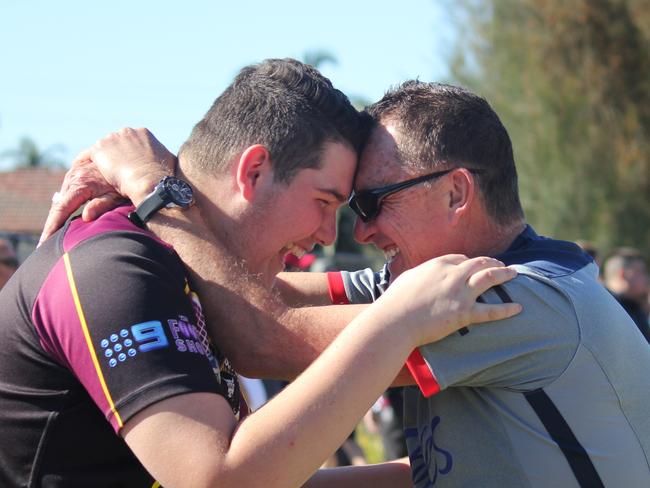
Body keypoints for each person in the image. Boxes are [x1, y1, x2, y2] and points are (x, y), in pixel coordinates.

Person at [49, 80, 650, 487]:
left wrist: (157, 190)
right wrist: (192, 197)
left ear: (456, 192)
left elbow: (264, 337)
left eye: (371, 202)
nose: (359, 230)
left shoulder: (508, 297)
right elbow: (260, 292)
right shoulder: (425, 282)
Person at [0, 59, 520, 488]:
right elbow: (218, 480)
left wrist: (437, 476)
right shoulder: (114, 268)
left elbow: (270, 473)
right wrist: (399, 321)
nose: (327, 234)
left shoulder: (179, 266)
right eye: (324, 202)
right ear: (253, 172)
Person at [603, 247, 650, 342]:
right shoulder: (604, 309)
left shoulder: (633, 307)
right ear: (623, 274)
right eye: (642, 272)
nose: (647, 278)